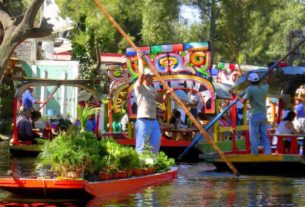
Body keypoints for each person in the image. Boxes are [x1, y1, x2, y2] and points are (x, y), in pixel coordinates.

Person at [134, 51, 170, 154]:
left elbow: (161, 100)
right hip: (143, 120)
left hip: (153, 120)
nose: (152, 78)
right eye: (150, 76)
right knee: (141, 146)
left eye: (152, 77)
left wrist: (166, 95)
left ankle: (152, 164)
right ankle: (139, 167)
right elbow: (140, 74)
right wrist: (140, 59)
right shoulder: (139, 86)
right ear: (145, 77)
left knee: (155, 143)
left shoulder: (152, 89)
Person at [237, 70, 272, 154]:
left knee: (253, 136)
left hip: (255, 114)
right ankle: (268, 153)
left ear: (250, 81)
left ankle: (255, 153)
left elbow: (243, 101)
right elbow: (268, 81)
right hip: (263, 114)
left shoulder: (250, 89)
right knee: (264, 136)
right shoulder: (264, 88)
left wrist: (237, 97)